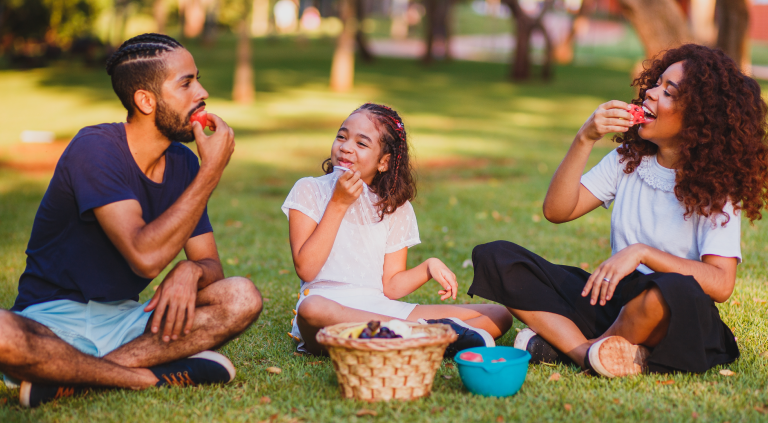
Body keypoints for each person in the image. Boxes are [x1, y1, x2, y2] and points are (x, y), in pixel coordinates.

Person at [469, 44, 768, 377]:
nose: (650, 94)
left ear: (700, 118)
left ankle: (577, 345)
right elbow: (557, 210)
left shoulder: (717, 188)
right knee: (497, 258)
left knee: (668, 290)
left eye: (668, 92)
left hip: (673, 311)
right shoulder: (628, 160)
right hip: (612, 299)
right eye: (655, 84)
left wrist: (642, 253)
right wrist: (585, 137)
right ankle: (592, 353)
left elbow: (721, 284)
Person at [0, 33, 263, 407]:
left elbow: (212, 268)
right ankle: (143, 379)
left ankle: (71, 377)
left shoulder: (183, 164)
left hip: (126, 323)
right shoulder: (95, 149)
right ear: (145, 100)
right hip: (49, 323)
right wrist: (212, 172)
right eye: (186, 83)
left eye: (197, 79)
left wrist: (190, 272)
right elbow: (144, 256)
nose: (202, 92)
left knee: (241, 297)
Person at [283, 103, 513, 355]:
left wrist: (428, 266)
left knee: (499, 314)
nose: (346, 147)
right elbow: (306, 268)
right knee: (311, 308)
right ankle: (427, 335)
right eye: (341, 136)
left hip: (379, 309)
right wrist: (338, 203)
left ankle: (419, 336)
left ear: (383, 162)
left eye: (361, 144)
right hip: (328, 314)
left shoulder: (394, 207)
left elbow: (390, 286)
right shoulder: (309, 190)